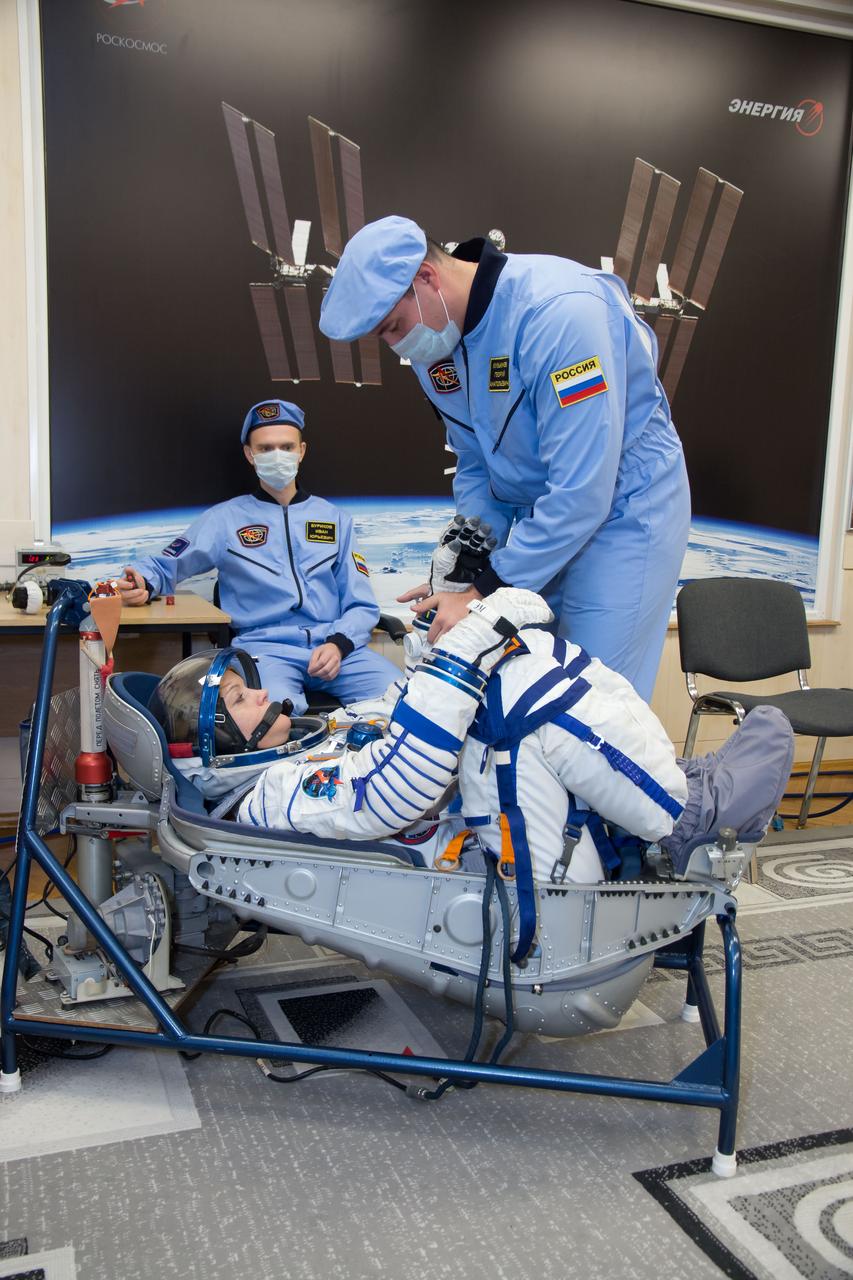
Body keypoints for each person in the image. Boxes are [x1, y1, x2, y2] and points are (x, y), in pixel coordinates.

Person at [149, 588, 793, 905]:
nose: (263, 695)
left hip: (491, 834)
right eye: (241, 699)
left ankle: (668, 788)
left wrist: (438, 646)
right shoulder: (274, 796)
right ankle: (682, 820)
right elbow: (396, 791)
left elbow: (392, 710)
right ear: (215, 740)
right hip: (485, 874)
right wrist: (472, 640)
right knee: (512, 700)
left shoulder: (301, 748)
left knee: (522, 657)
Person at [318, 216, 692, 701]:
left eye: (393, 327)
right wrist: (468, 561)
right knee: (527, 690)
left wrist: (486, 588)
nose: (396, 346)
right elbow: (477, 461)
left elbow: (584, 489)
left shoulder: (559, 314)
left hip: (622, 512)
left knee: (590, 701)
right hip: (545, 523)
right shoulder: (437, 343)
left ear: (426, 278)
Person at [117, 398, 400, 713]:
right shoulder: (225, 519)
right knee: (273, 717)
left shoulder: (335, 519)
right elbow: (165, 565)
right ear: (249, 454)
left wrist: (339, 644)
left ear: (301, 451)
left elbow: (361, 605)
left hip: (336, 649)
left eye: (286, 447)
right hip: (265, 651)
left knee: (404, 702)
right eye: (265, 448)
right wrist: (142, 581)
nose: (277, 456)